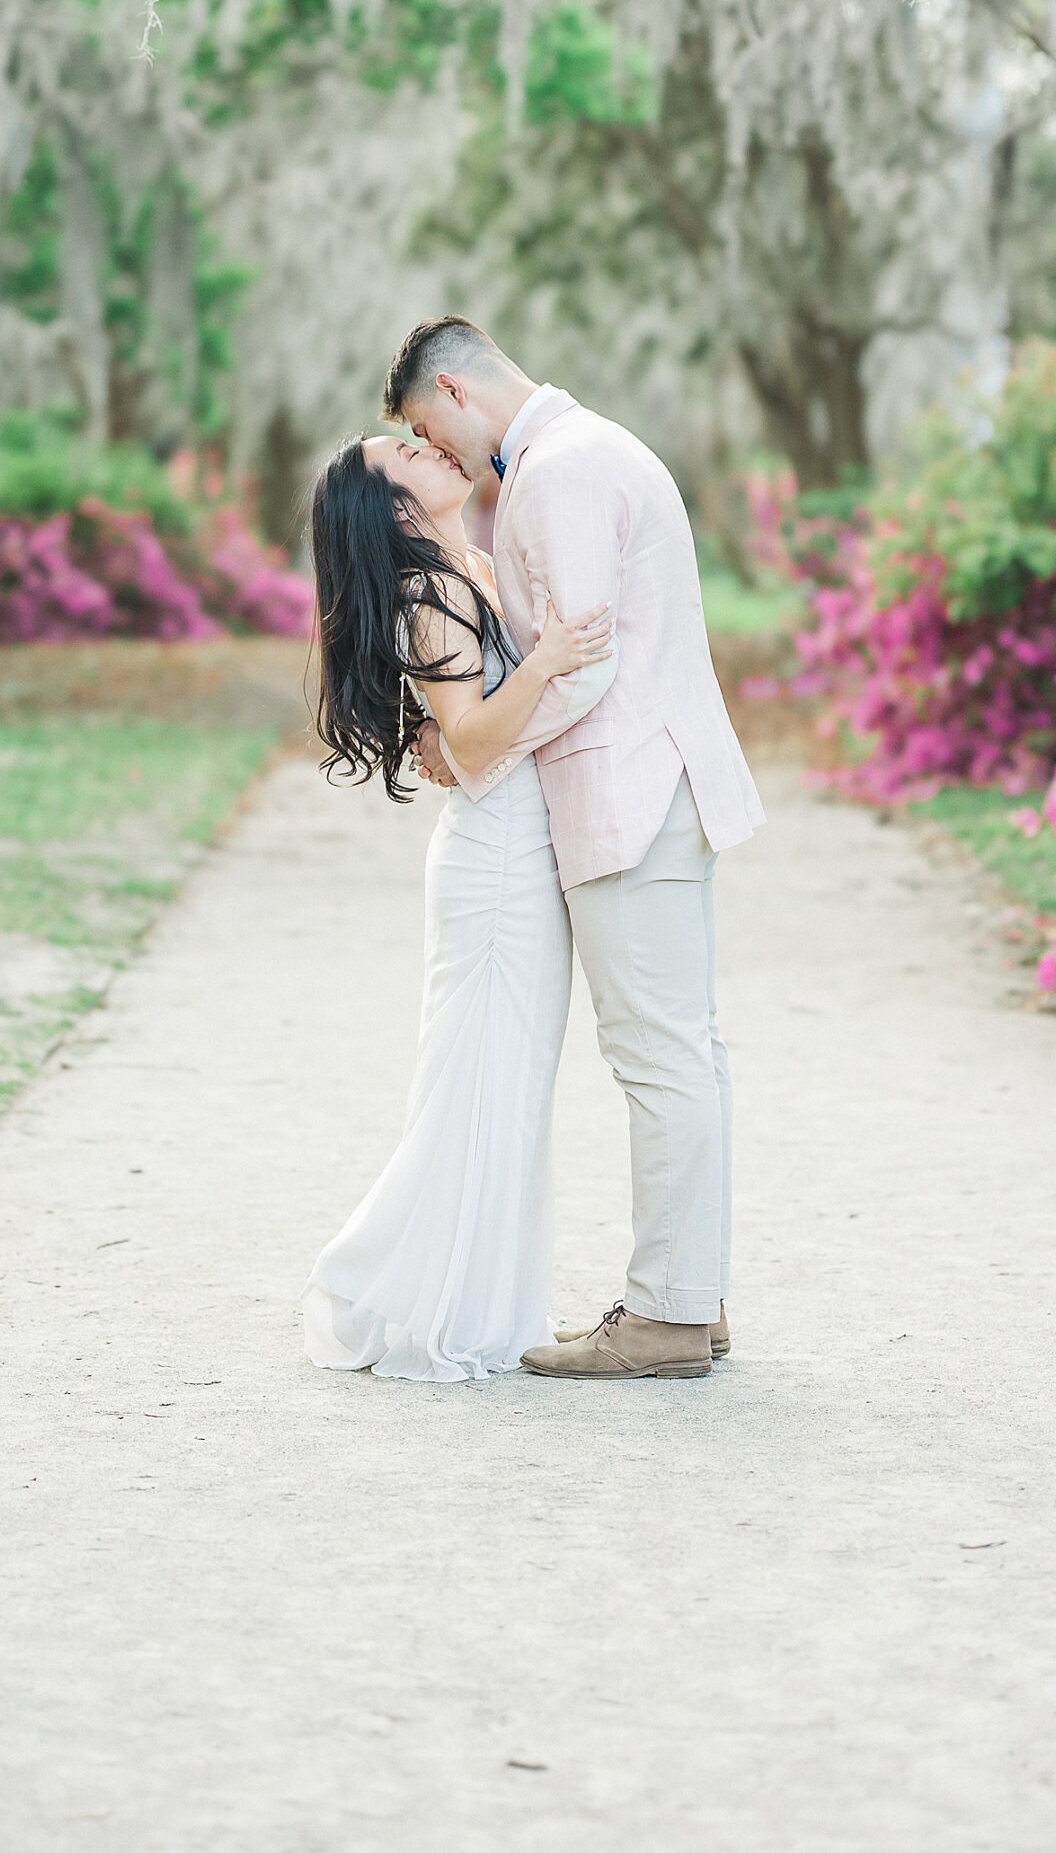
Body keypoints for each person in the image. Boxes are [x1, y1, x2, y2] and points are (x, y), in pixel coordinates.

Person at [384, 317, 764, 1382]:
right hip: (650, 784)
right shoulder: (583, 450)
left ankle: (667, 1317)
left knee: (660, 1054)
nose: (441, 455)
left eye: (427, 428)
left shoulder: (558, 472)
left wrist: (474, 753)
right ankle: (692, 1292)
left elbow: (583, 668)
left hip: (630, 790)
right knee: (683, 1047)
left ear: (454, 391)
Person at [302, 433, 613, 1381]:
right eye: (402, 451)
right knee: (476, 1084)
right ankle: (385, 1283)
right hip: (493, 865)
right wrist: (550, 655)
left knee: (508, 1088)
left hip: (517, 849)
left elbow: (458, 733)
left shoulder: (467, 564)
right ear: (385, 502)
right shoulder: (424, 594)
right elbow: (472, 743)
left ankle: (485, 1298)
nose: (429, 447)